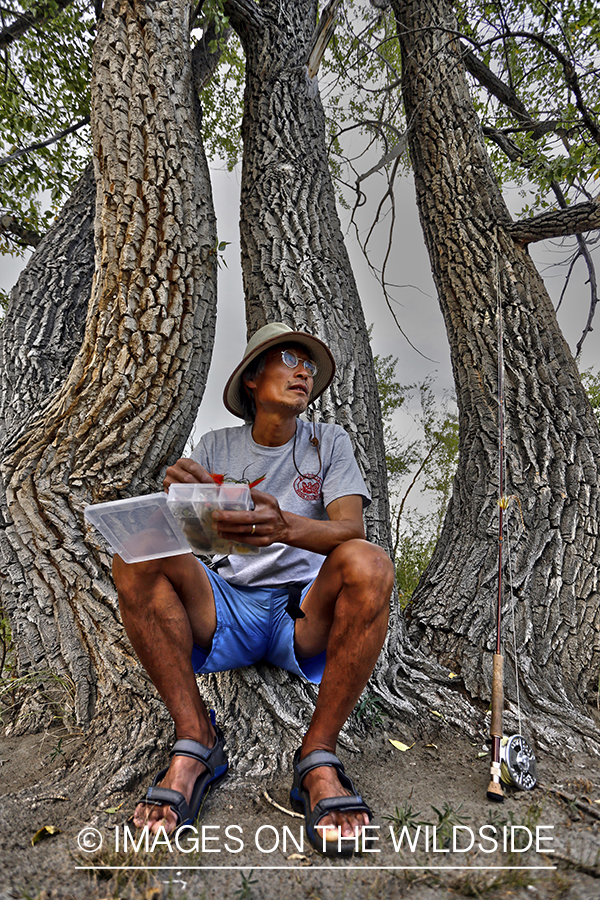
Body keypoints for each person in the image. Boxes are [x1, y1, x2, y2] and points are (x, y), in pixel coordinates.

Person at [113, 322, 394, 855]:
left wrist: (286, 526)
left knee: (370, 563)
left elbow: (349, 530)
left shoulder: (327, 441)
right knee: (135, 548)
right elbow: (195, 538)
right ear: (251, 379)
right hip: (226, 606)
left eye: (309, 364)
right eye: (289, 358)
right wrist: (182, 497)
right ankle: (196, 739)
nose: (303, 371)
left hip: (301, 611)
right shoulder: (217, 445)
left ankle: (318, 755)